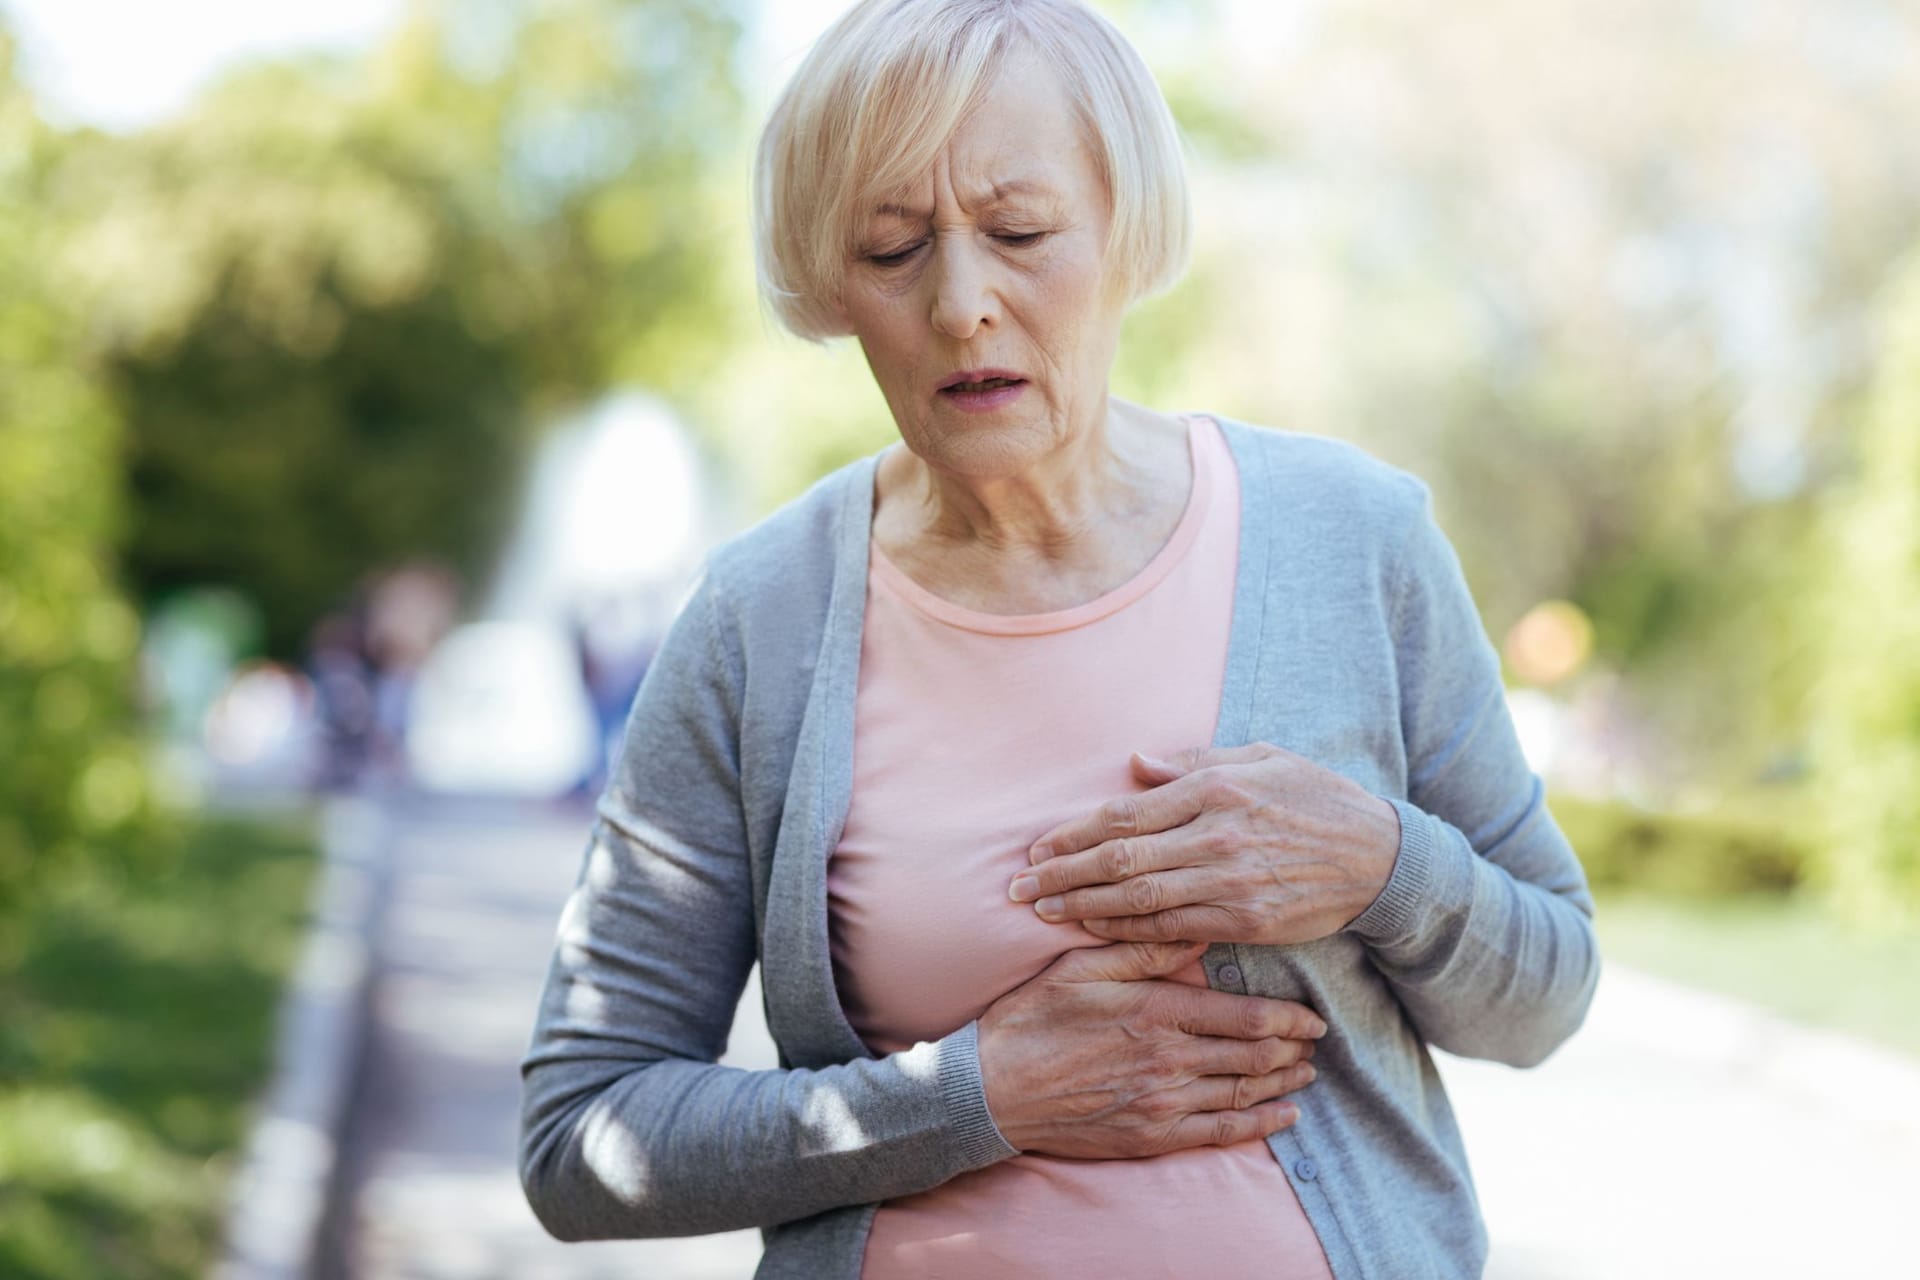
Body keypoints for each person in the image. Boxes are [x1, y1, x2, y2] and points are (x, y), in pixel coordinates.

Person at [517, 1, 1601, 1276]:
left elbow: (1547, 993)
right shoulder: (757, 621)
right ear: (829, 283)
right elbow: (582, 1137)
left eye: (1021, 231)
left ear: (1125, 228)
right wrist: (975, 1094)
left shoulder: (1351, 537)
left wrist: (1380, 865)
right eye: (891, 248)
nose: (963, 301)